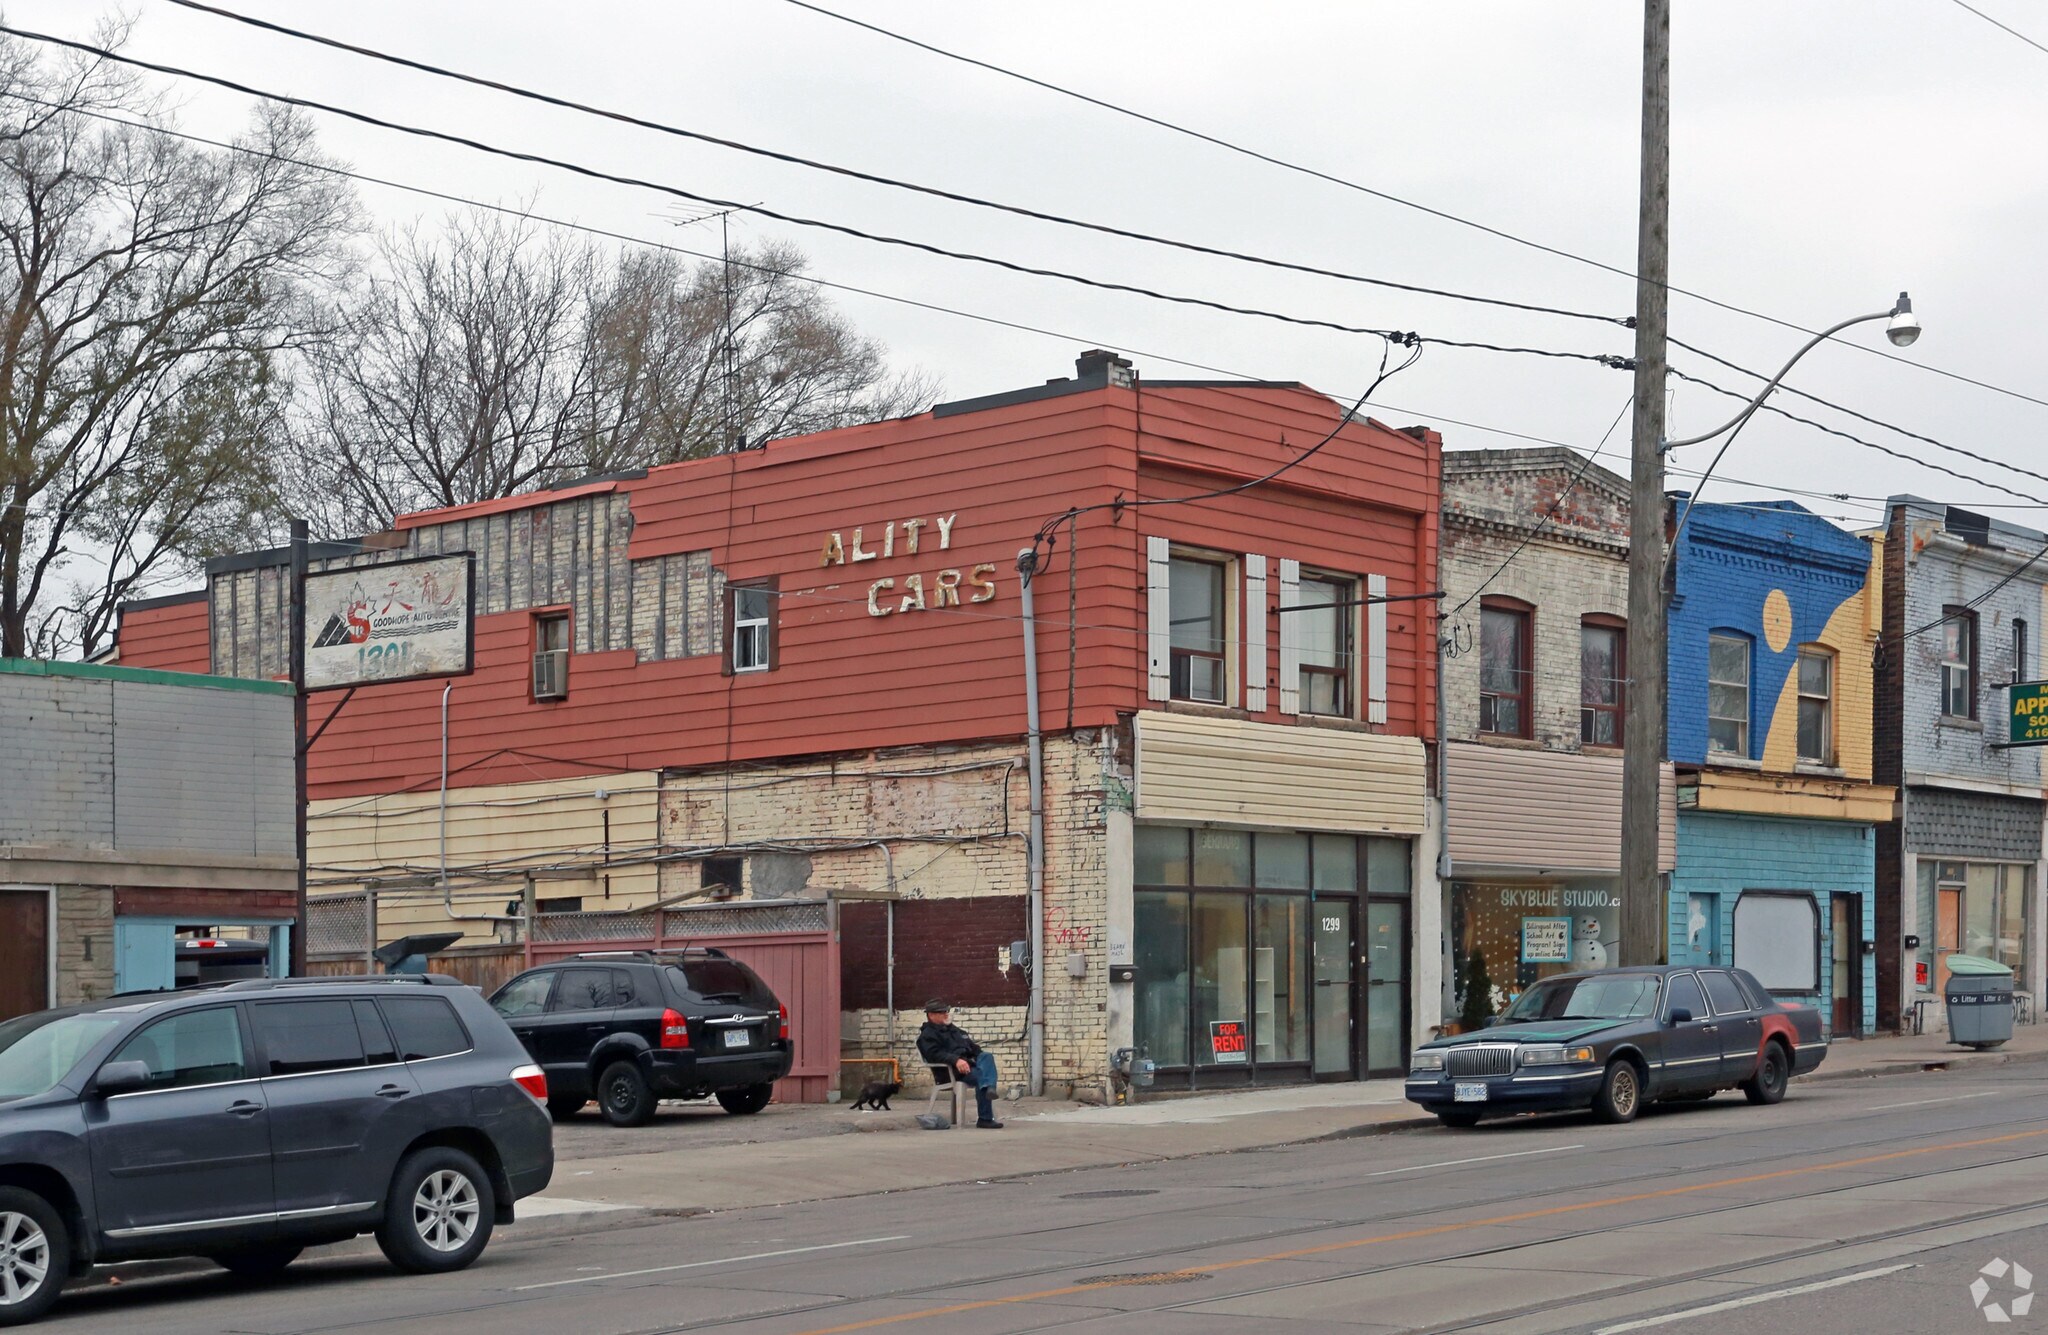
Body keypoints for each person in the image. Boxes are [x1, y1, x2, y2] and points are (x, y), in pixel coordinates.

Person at [916, 999, 1003, 1129]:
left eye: (946, 1011)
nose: (946, 1014)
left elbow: (974, 1048)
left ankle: (988, 1086)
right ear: (931, 1015)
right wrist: (956, 1060)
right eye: (942, 1012)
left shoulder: (954, 1030)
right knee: (982, 1077)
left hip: (970, 1066)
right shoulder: (927, 1035)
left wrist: (977, 1058)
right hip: (951, 1071)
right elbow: (934, 1055)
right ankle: (985, 1117)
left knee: (986, 1056)